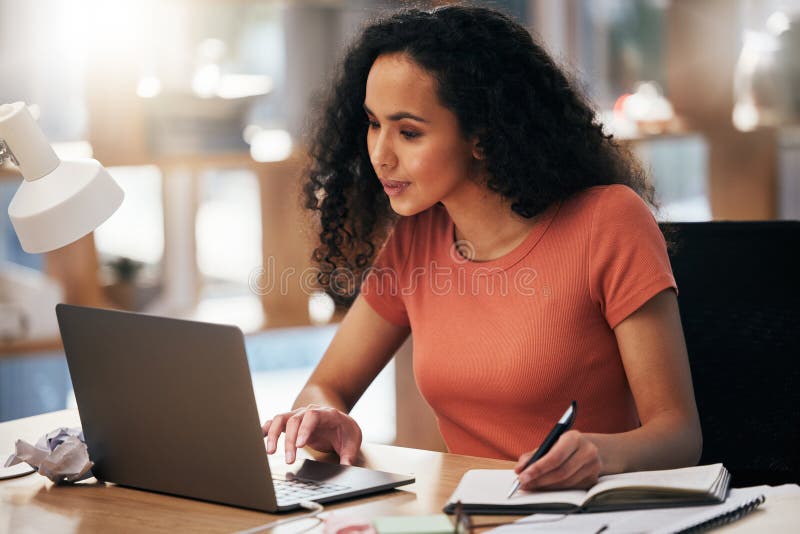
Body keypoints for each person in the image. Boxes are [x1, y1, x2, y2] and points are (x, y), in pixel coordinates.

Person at [262, 5, 702, 491]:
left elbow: (679, 435)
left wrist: (599, 453)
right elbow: (328, 385)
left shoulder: (608, 221)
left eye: (409, 132)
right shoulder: (417, 236)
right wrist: (320, 417)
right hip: (470, 514)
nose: (381, 154)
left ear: (481, 134)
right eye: (372, 124)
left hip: (585, 514)